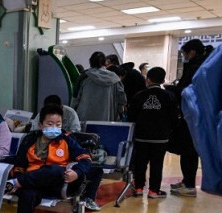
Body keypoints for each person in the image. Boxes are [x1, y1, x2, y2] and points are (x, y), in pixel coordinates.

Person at [7, 105, 92, 213]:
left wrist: (77, 173)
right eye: (50, 124)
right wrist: (18, 176)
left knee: (55, 170)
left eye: (58, 124)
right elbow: (19, 164)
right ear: (40, 125)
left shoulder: (67, 140)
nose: (54, 127)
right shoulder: (30, 139)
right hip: (33, 184)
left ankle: (16, 184)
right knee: (27, 195)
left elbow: (86, 159)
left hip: (56, 184)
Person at [128, 67, 178, 198]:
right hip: (161, 137)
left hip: (141, 136)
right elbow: (174, 117)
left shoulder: (139, 96)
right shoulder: (169, 96)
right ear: (162, 80)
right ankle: (154, 191)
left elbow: (131, 116)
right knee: (157, 164)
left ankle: (138, 188)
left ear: (147, 80)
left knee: (140, 163)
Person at [169, 39, 209, 197]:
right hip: (200, 115)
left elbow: (186, 91)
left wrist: (173, 89)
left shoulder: (195, 68)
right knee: (189, 150)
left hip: (192, 116)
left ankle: (190, 185)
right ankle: (187, 181)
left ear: (192, 52)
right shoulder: (206, 66)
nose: (184, 56)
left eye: (185, 53)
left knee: (188, 150)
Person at [72, 51, 126, 123]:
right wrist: (119, 112)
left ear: (90, 62)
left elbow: (75, 99)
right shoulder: (114, 78)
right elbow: (122, 99)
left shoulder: (84, 77)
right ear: (105, 62)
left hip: (84, 119)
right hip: (107, 119)